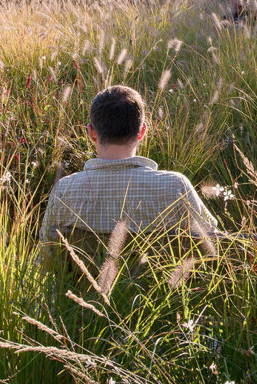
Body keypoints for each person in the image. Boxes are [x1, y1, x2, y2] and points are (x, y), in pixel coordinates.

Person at [38, 85, 222, 262]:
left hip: (82, 293)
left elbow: (47, 253)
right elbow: (212, 242)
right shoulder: (175, 186)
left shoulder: (65, 190)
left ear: (92, 133)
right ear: (142, 131)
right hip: (160, 292)